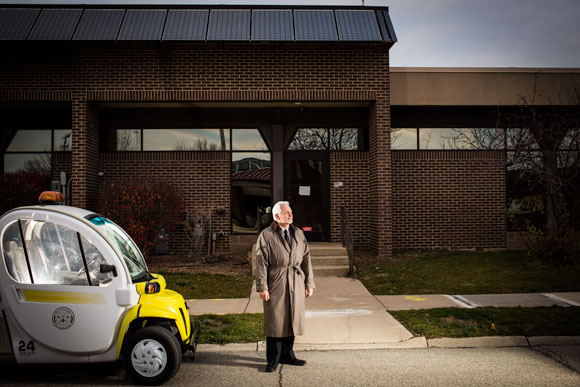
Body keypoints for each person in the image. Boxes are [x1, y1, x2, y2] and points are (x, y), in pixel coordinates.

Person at [255, 201, 315, 373]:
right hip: (276, 281)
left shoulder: (298, 233)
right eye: (286, 212)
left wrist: (309, 283)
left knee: (292, 319)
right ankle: (273, 359)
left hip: (295, 279)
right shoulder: (266, 235)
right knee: (276, 321)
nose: (290, 214)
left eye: (290, 211)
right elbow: (261, 263)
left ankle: (287, 355)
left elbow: (306, 259)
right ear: (276, 216)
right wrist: (262, 287)